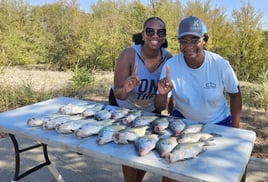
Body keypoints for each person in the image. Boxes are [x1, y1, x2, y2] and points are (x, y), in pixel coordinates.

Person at [108, 17, 173, 182]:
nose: (155, 35)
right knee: (129, 146)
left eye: (160, 32)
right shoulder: (128, 54)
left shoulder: (169, 60)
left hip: (149, 108)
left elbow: (160, 106)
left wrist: (163, 94)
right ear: (143, 35)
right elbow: (118, 93)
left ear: (164, 36)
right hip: (123, 104)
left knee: (145, 146)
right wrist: (127, 88)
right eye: (150, 31)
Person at [155, 15, 242, 129]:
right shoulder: (170, 66)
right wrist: (162, 94)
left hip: (218, 122)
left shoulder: (220, 64)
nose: (189, 46)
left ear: (204, 40)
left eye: (194, 41)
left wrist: (235, 128)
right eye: (183, 41)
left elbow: (235, 95)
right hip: (183, 121)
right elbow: (159, 107)